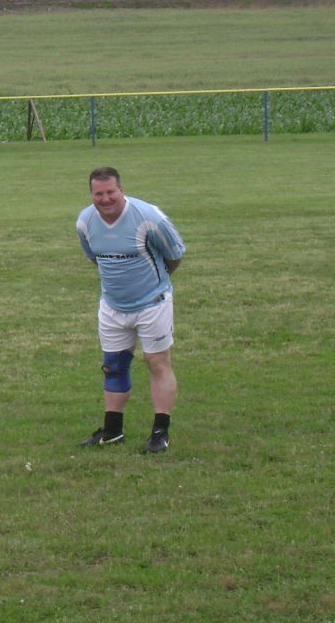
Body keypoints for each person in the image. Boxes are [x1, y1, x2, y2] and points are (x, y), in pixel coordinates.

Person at [76, 167, 186, 454]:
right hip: (112, 306)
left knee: (157, 363)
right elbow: (95, 258)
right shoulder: (85, 222)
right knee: (113, 366)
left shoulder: (148, 218)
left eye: (111, 192)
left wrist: (153, 286)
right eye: (99, 194)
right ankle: (113, 431)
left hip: (153, 304)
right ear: (91, 195)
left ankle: (160, 432)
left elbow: (175, 255)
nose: (105, 199)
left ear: (121, 190)